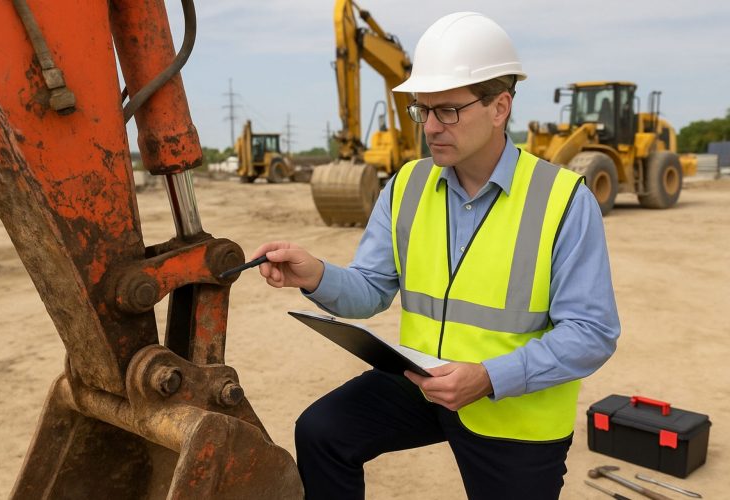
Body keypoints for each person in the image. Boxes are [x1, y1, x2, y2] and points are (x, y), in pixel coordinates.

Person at [253, 12, 620, 500]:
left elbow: (592, 333)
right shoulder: (406, 185)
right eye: (421, 110)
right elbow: (370, 289)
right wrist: (315, 274)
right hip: (423, 382)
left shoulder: (563, 200)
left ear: (500, 107)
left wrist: (489, 378)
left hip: (516, 412)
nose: (430, 126)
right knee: (322, 431)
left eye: (446, 110)